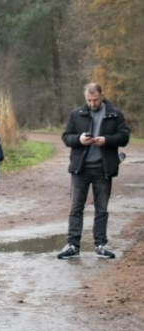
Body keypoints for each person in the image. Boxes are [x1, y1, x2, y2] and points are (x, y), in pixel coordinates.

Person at [58, 83, 130, 260]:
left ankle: (101, 244)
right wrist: (79, 139)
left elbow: (125, 137)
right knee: (76, 208)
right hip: (80, 169)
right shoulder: (76, 114)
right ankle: (73, 245)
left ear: (102, 96)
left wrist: (106, 140)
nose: (92, 103)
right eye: (88, 100)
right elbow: (66, 137)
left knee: (102, 209)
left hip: (103, 168)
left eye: (95, 100)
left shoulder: (115, 114)